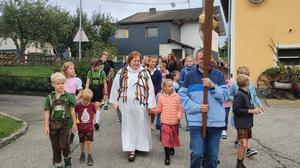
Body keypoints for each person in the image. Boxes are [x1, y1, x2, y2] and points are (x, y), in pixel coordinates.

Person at [179, 49, 229, 168]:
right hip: (196, 122)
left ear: (211, 59)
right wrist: (197, 107)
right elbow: (182, 95)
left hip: (215, 123)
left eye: (207, 58)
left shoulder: (219, 75)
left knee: (212, 157)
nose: (205, 61)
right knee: (197, 153)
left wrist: (213, 86)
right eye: (201, 58)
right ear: (196, 61)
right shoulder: (190, 76)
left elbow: (224, 97)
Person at [109, 51, 156, 162]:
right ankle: (131, 149)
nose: (136, 63)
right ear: (129, 61)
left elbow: (151, 89)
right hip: (126, 105)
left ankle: (140, 146)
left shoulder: (145, 73)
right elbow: (116, 87)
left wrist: (151, 104)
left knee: (141, 125)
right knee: (129, 126)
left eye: (138, 61)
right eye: (134, 60)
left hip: (141, 106)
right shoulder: (122, 72)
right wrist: (115, 103)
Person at [44, 72, 77, 168]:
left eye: (62, 83)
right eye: (58, 84)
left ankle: (67, 158)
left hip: (65, 124)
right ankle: (58, 162)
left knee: (64, 145)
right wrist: (46, 126)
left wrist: (74, 123)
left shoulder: (68, 96)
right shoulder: (49, 98)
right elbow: (46, 111)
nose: (60, 85)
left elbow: (72, 110)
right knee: (56, 146)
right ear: (53, 84)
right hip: (53, 125)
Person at [230, 66, 264, 157]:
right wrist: (238, 99)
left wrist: (259, 105)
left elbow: (254, 96)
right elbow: (229, 96)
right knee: (242, 128)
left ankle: (237, 142)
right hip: (240, 110)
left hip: (249, 110)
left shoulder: (251, 84)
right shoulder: (234, 84)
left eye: (247, 76)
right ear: (238, 76)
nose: (246, 78)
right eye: (244, 76)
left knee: (244, 129)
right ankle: (248, 149)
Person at [150, 79, 183, 166]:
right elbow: (159, 109)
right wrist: (151, 111)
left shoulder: (177, 96)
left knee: (173, 137)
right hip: (165, 122)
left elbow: (180, 109)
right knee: (165, 140)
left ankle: (172, 147)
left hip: (174, 122)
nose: (171, 87)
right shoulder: (161, 97)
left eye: (172, 85)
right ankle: (167, 157)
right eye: (169, 86)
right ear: (164, 87)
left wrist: (178, 117)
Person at [61, 61, 83, 144]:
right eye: (70, 69)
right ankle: (67, 136)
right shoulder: (62, 79)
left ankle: (69, 137)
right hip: (63, 101)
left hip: (72, 102)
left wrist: (75, 99)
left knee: (71, 120)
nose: (73, 70)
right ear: (65, 70)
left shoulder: (77, 80)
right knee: (64, 119)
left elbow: (81, 91)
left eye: (73, 68)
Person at [75, 89, 96, 166]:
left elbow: (95, 112)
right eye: (84, 99)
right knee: (82, 141)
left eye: (88, 100)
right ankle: (82, 154)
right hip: (81, 127)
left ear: (91, 99)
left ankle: (89, 155)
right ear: (81, 97)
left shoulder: (92, 105)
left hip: (89, 127)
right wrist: (75, 121)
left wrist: (94, 121)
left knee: (89, 142)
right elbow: (74, 112)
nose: (86, 102)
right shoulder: (78, 105)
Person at [85, 58, 108, 131]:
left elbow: (105, 83)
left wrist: (105, 93)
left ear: (99, 65)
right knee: (91, 106)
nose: (93, 68)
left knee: (97, 106)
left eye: (95, 66)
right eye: (92, 66)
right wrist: (86, 91)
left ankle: (96, 122)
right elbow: (88, 82)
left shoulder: (102, 73)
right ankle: (92, 121)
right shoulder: (90, 72)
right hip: (91, 90)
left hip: (99, 90)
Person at [148, 56, 162, 130]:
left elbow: (159, 83)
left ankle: (152, 123)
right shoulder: (145, 71)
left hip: (154, 93)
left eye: (155, 62)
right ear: (148, 62)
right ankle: (145, 123)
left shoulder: (158, 72)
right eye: (152, 61)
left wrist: (155, 92)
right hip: (145, 93)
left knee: (153, 108)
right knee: (145, 108)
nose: (153, 63)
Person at [222, 67, 232, 139]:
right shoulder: (217, 83)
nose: (224, 77)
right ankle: (219, 129)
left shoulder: (230, 83)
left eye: (225, 75)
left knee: (225, 117)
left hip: (227, 104)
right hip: (219, 103)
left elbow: (232, 93)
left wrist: (230, 97)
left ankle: (224, 130)